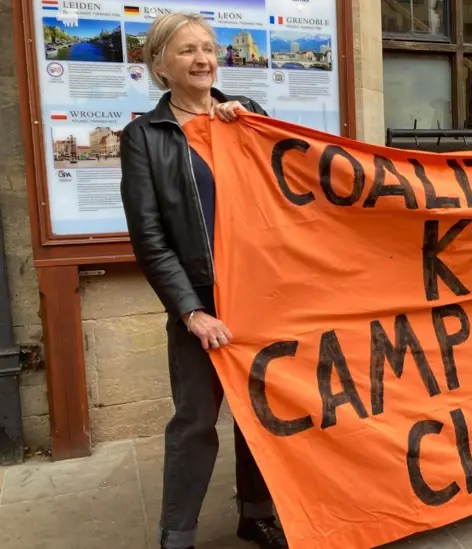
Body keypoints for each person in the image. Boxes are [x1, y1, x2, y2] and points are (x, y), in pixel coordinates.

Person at [120, 13, 287, 549]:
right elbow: (149, 236)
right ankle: (177, 536)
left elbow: (283, 192)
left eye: (208, 48)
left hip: (257, 296)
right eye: (187, 50)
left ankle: (256, 513)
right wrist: (191, 311)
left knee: (259, 414)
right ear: (160, 65)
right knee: (194, 421)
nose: (203, 60)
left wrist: (250, 131)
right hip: (201, 301)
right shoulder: (144, 137)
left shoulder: (247, 115)